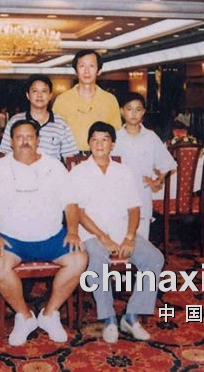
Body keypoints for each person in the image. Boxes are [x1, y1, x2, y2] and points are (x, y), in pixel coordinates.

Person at [0, 119, 87, 346]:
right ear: (11, 141)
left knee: (79, 259)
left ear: (37, 140)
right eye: (19, 137)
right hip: (11, 240)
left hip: (51, 237)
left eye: (29, 137)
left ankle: (49, 314)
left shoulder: (54, 166)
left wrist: (73, 231)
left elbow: (70, 203)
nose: (25, 142)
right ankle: (24, 316)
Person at [70, 121, 165, 344]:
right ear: (89, 143)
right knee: (98, 261)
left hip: (122, 232)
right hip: (92, 234)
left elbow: (134, 208)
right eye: (95, 139)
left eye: (105, 139)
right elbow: (79, 212)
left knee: (154, 258)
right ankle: (109, 318)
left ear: (112, 144)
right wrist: (103, 238)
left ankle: (131, 317)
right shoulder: (79, 171)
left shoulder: (124, 171)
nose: (99, 144)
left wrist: (130, 237)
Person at [114, 92, 177, 240]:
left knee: (141, 240)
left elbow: (168, 164)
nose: (134, 113)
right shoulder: (115, 138)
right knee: (119, 241)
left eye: (138, 109)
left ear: (143, 112)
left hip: (142, 197)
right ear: (122, 111)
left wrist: (158, 180)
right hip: (119, 197)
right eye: (129, 109)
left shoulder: (150, 137)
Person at [53, 50, 121, 153]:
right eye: (82, 66)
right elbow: (55, 133)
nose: (87, 71)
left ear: (99, 70)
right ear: (76, 70)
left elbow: (116, 133)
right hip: (70, 156)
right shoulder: (62, 100)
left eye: (91, 66)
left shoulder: (110, 100)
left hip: (101, 155)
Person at [0, 74, 78, 162]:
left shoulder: (61, 123)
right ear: (28, 95)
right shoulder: (15, 121)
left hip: (51, 170)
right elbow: (6, 154)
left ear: (50, 95)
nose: (39, 95)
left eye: (44, 91)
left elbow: (69, 157)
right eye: (35, 91)